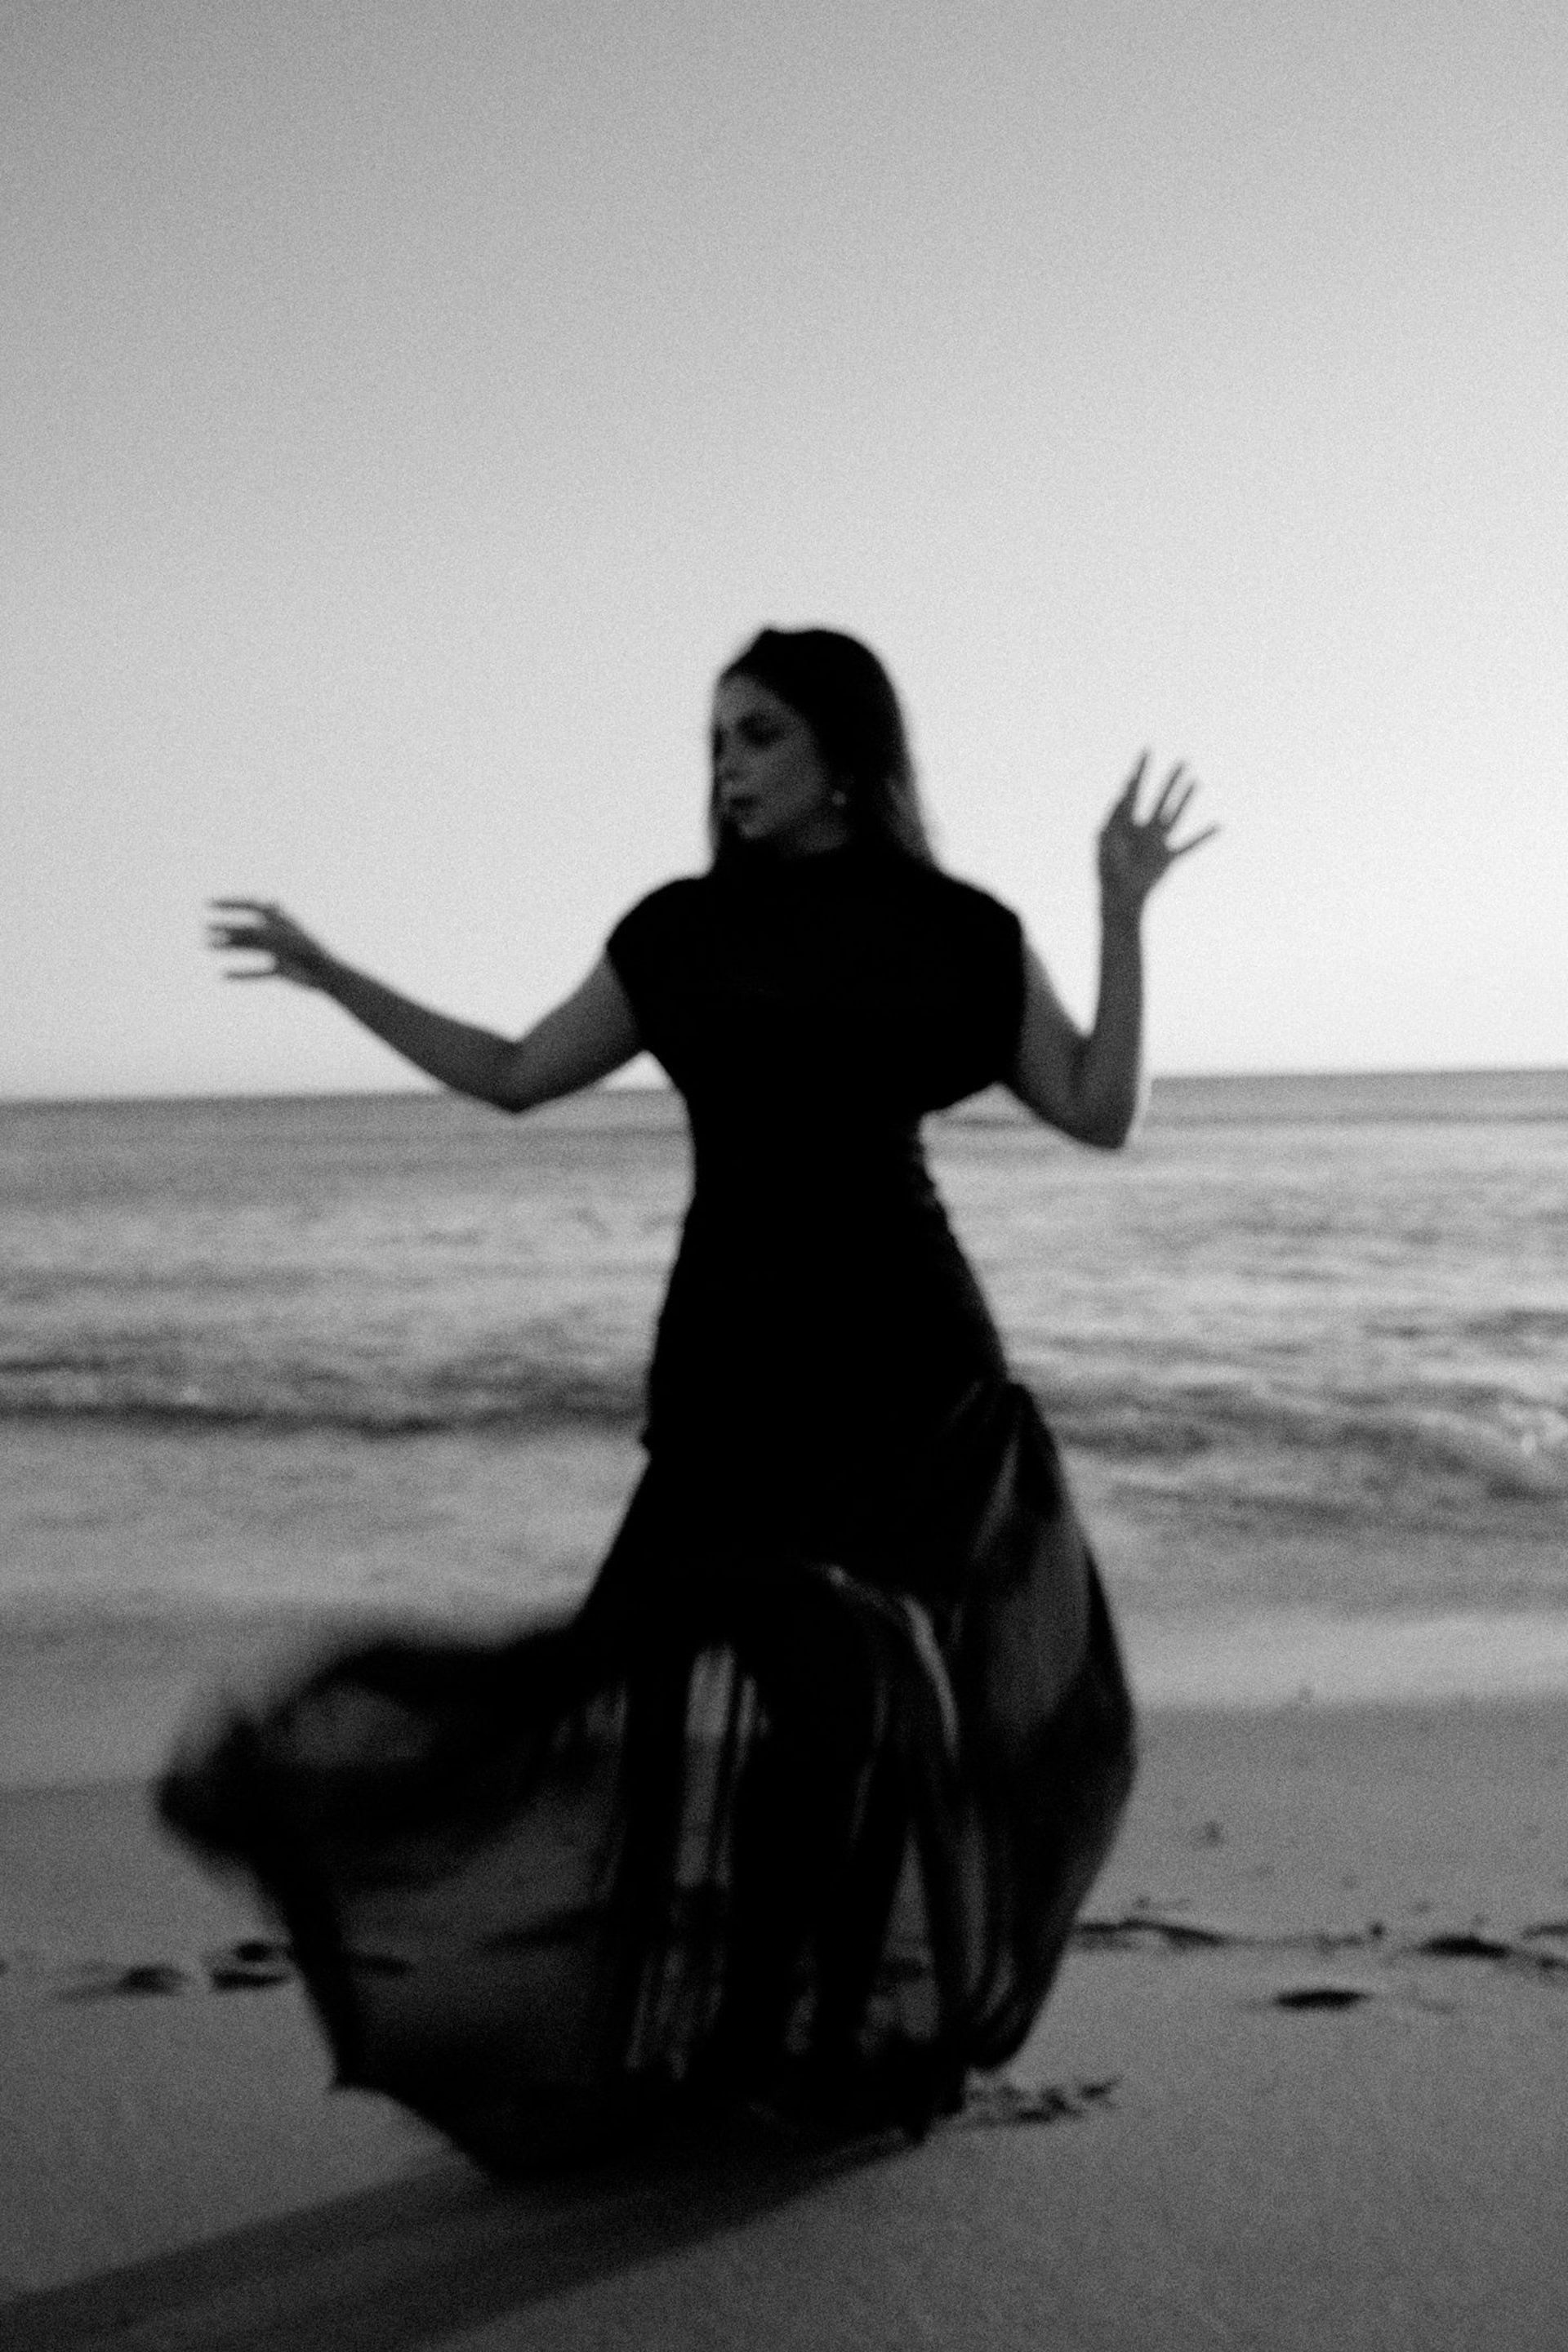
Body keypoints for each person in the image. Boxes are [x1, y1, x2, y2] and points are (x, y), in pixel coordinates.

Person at [164, 626, 1213, 2166]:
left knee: (850, 1719)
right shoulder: (680, 935)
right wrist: (333, 977)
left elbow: (1099, 1109)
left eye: (760, 735)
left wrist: (1121, 914)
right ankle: (734, 2039)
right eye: (717, 740)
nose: (729, 768)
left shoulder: (957, 932)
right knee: (646, 1679)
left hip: (914, 1373)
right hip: (732, 1371)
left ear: (847, 753)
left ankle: (797, 2046)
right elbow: (514, 1072)